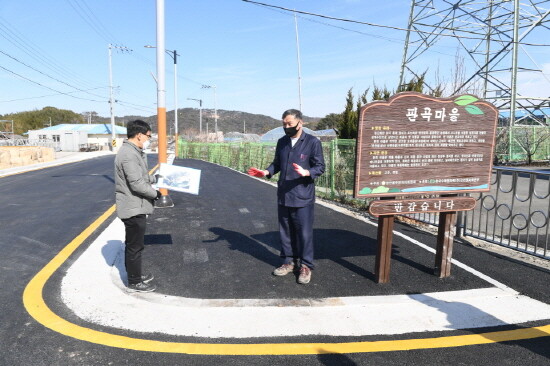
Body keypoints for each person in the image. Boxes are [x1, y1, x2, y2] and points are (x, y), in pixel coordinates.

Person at [248, 109, 325, 284]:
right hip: (284, 194)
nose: (286, 127)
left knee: (304, 233)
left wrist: (307, 172)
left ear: (300, 123)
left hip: (302, 195)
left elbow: (320, 167)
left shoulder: (312, 142)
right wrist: (266, 172)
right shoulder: (282, 142)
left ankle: (305, 265)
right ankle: (288, 262)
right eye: (284, 124)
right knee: (285, 232)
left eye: (290, 124)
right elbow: (277, 164)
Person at [114, 120, 161, 293]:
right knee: (134, 246)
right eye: (149, 136)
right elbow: (136, 184)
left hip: (136, 206)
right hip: (132, 207)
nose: (149, 139)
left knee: (135, 244)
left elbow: (140, 177)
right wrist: (156, 194)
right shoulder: (128, 154)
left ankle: (136, 275)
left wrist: (155, 179)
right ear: (139, 135)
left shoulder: (134, 152)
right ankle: (134, 281)